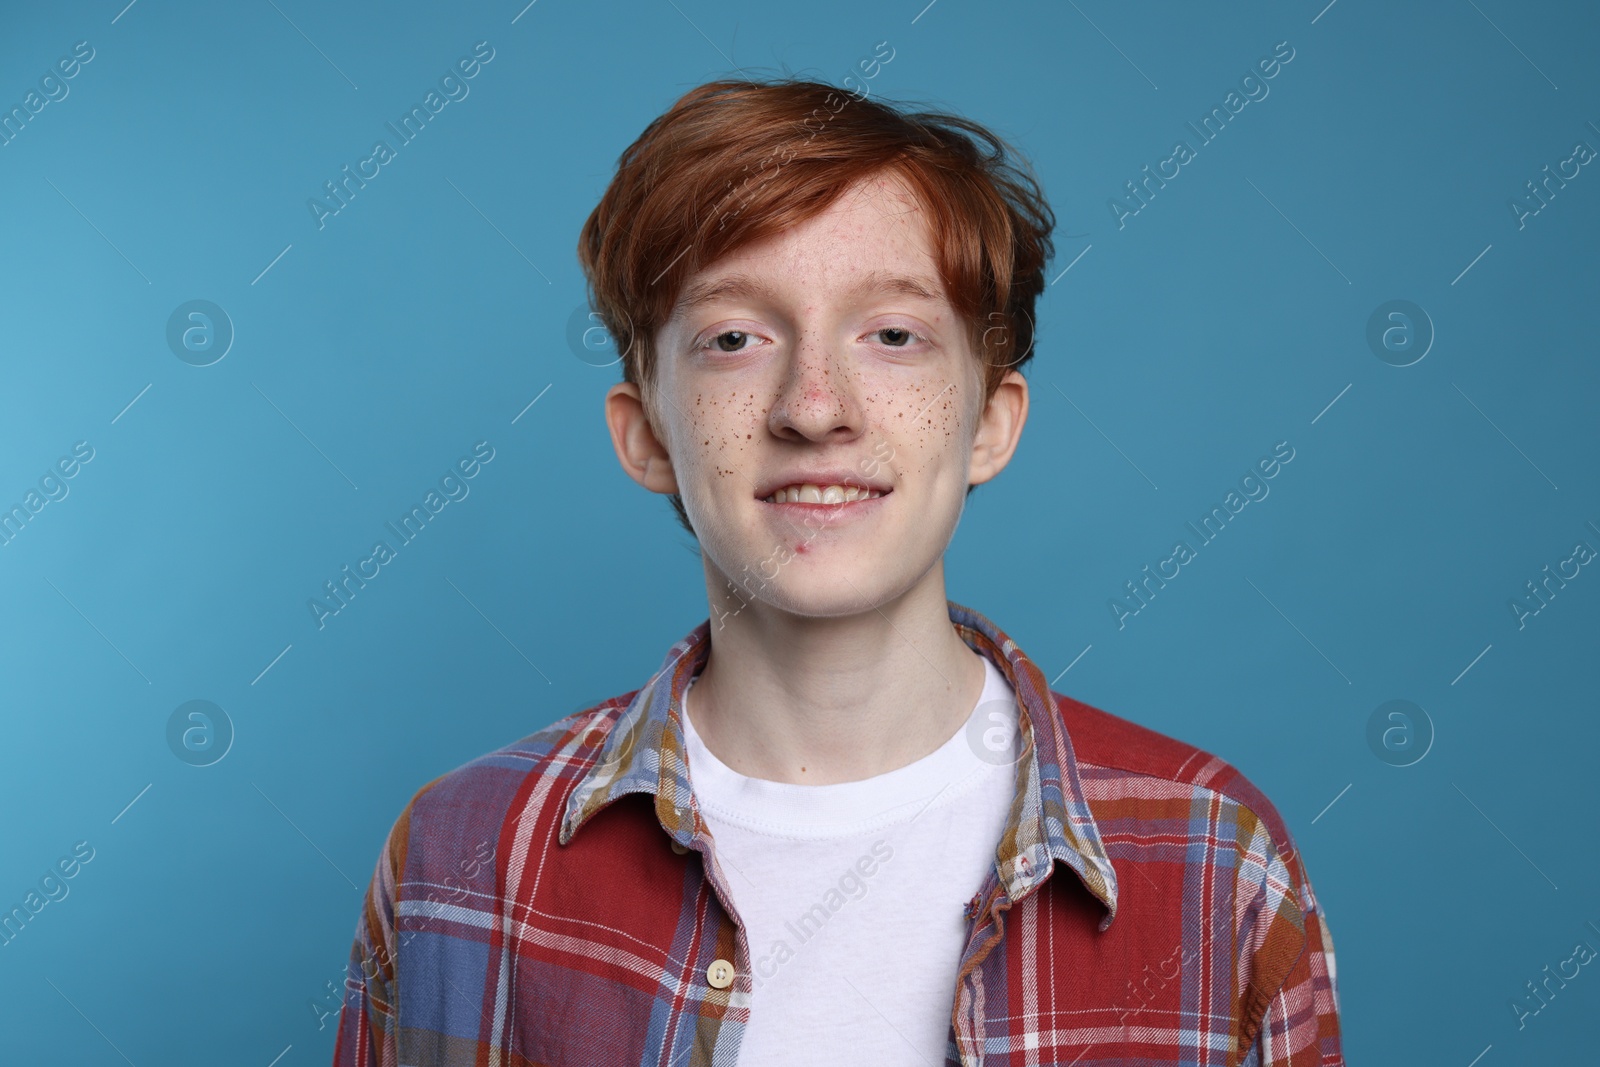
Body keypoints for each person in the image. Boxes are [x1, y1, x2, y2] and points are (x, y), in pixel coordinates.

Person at [331, 75, 1343, 1067]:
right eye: (734, 338)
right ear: (644, 436)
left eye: (893, 335)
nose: (815, 406)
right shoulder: (457, 862)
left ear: (990, 423)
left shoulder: (1214, 858)